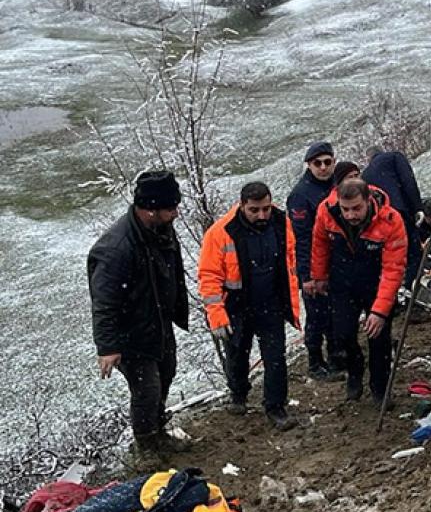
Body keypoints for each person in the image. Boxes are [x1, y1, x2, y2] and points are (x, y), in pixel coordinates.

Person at [87, 170, 190, 459]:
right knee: (147, 390)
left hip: (158, 322)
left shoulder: (159, 229)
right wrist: (107, 347)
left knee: (167, 374)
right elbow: (104, 300)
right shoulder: (116, 248)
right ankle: (146, 448)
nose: (176, 213)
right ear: (150, 209)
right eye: (171, 208)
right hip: (131, 333)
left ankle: (159, 432)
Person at [198, 182, 300, 431]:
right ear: (242, 205)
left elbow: (290, 256)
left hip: (271, 303)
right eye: (255, 210)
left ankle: (275, 407)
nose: (261, 215)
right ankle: (239, 395)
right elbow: (209, 276)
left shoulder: (280, 221)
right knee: (237, 355)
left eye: (265, 208)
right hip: (237, 305)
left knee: (275, 358)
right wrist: (216, 315)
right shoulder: (220, 232)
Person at [310, 178, 407, 406]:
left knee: (379, 337)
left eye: (357, 209)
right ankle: (355, 371)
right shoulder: (327, 211)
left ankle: (380, 388)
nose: (351, 215)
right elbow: (319, 242)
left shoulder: (391, 220)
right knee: (342, 335)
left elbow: (393, 269)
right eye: (346, 209)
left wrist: (380, 311)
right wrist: (319, 275)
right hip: (342, 282)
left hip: (376, 282)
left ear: (368, 201)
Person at [287, 142, 342, 382]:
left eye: (327, 162)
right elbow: (301, 239)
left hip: (337, 261)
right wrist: (306, 275)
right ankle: (315, 361)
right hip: (313, 264)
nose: (323, 167)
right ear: (309, 165)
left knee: (336, 313)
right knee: (317, 316)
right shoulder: (300, 195)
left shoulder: (337, 186)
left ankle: (336, 357)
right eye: (317, 163)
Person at [363, 146, 426, 291]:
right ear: (382, 151)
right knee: (414, 252)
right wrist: (417, 207)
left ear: (369, 158)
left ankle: (396, 291)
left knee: (394, 257)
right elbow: (408, 181)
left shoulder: (364, 175)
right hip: (399, 212)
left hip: (380, 222)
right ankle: (413, 288)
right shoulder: (394, 157)